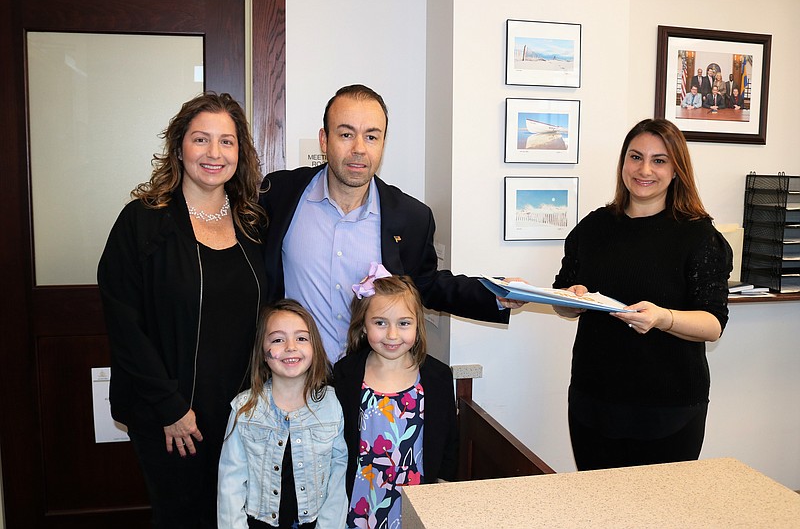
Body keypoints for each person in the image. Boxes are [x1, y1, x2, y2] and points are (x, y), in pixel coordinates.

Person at [97, 92, 269, 527]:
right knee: (183, 517)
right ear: (179, 148)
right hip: (171, 415)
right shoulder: (143, 221)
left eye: (226, 142)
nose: (214, 153)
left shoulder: (253, 225)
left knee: (236, 517)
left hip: (240, 413)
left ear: (240, 153)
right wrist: (170, 407)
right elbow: (124, 325)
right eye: (201, 140)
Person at [259, 84, 519, 361]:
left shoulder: (411, 217)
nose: (359, 149)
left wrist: (496, 293)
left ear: (383, 143)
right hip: (295, 377)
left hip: (370, 380)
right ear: (324, 140)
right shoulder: (279, 194)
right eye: (346, 134)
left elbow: (427, 285)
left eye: (371, 137)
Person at [552, 118, 732, 471]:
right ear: (623, 164)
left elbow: (713, 324)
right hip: (593, 399)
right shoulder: (594, 227)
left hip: (670, 407)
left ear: (677, 169)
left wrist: (662, 317)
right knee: (599, 508)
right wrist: (571, 300)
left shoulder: (698, 236)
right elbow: (564, 298)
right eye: (635, 157)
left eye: (659, 160)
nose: (644, 169)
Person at [333, 265, 458, 528]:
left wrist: (445, 493)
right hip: (359, 501)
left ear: (417, 325)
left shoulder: (438, 377)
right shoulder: (345, 374)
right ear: (364, 326)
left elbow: (449, 441)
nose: (392, 335)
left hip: (415, 502)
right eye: (380, 323)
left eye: (403, 323)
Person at [218, 299, 348, 528]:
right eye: (278, 339)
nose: (290, 347)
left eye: (301, 338)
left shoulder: (332, 405)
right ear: (263, 353)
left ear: (314, 347)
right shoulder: (244, 409)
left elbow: (338, 480)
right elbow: (231, 483)